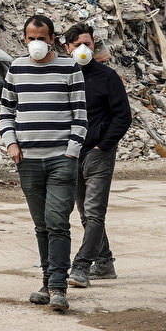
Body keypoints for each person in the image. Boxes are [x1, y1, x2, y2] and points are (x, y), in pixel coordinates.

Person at [0, 14, 87, 312]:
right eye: (31, 38)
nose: (36, 43)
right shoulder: (16, 68)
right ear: (24, 39)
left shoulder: (69, 68)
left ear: (52, 39)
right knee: (41, 225)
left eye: (42, 38)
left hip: (61, 159)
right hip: (28, 161)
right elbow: (6, 111)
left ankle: (59, 286)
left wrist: (71, 151)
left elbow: (80, 115)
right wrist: (11, 143)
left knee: (57, 221)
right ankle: (48, 281)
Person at [63, 23, 132, 287]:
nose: (83, 49)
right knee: (84, 212)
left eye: (87, 44)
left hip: (98, 153)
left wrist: (103, 145)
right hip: (72, 152)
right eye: (77, 45)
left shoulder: (107, 77)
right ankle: (104, 263)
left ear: (94, 45)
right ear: (67, 48)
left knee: (94, 212)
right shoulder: (63, 75)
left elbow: (122, 116)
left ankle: (81, 266)